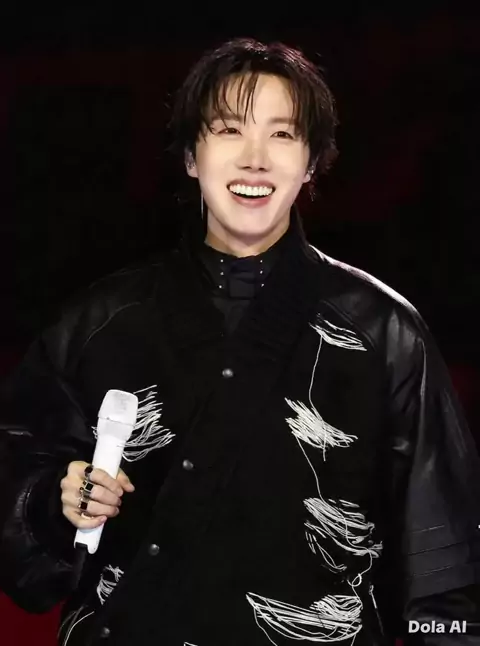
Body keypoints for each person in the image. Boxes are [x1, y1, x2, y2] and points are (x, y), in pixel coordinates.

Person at [0, 37, 479, 646]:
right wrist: (54, 500)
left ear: (311, 162)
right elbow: (18, 482)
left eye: (282, 135)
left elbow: (445, 573)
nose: (255, 159)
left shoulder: (384, 332)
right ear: (191, 155)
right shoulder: (99, 324)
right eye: (229, 130)